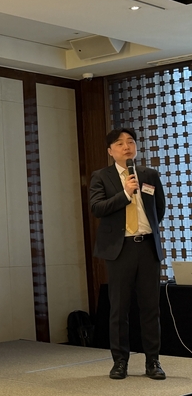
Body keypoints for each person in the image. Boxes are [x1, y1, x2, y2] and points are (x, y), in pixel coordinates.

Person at [89, 127, 166, 380]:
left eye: (130, 142)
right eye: (120, 143)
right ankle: (120, 362)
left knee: (150, 308)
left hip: (147, 247)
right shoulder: (101, 176)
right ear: (110, 151)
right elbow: (97, 208)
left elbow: (159, 209)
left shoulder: (149, 174)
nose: (127, 147)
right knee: (119, 309)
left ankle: (153, 361)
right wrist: (124, 194)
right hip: (120, 249)